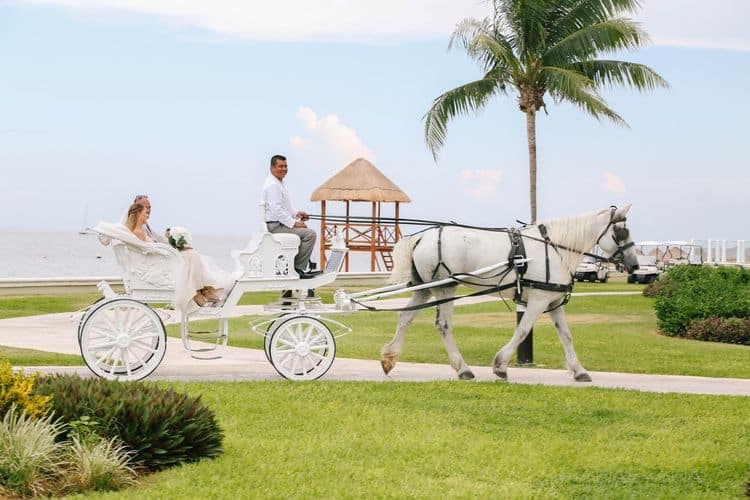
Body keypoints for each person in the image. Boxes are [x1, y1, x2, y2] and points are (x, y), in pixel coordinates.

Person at [124, 203, 227, 309]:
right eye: (146, 213)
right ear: (138, 214)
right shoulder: (138, 232)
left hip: (158, 260)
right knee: (191, 255)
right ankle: (201, 292)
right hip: (155, 264)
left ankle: (202, 292)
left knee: (191, 254)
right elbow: (147, 252)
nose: (148, 215)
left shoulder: (140, 231)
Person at [262, 154, 321, 279]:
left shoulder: (279, 183)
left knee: (306, 232)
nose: (284, 169)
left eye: (285, 166)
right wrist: (294, 223)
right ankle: (297, 269)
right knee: (310, 234)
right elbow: (277, 210)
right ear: (272, 168)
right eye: (280, 166)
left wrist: (297, 214)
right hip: (275, 226)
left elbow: (286, 207)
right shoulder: (273, 185)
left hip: (279, 224)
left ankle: (292, 267)